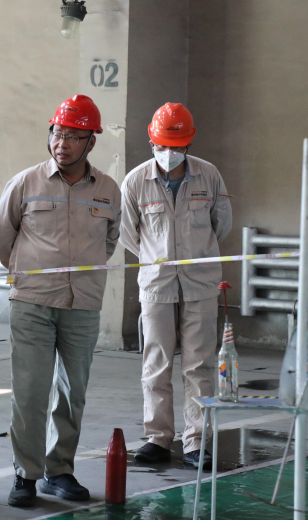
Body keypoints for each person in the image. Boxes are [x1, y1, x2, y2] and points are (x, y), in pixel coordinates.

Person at [0, 94, 121, 507]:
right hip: (32, 301)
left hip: (82, 303)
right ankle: (25, 474)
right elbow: (4, 233)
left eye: (73, 136)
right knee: (30, 391)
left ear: (91, 142)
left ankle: (59, 470)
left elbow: (110, 240)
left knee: (72, 391)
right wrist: (28, 271)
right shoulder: (25, 183)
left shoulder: (107, 190)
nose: (62, 143)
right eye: (57, 134)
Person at [119, 102, 232, 469]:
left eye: (177, 146)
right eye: (163, 146)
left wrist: (197, 253)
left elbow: (222, 223)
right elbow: (128, 234)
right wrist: (157, 256)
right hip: (157, 284)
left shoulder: (209, 176)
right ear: (152, 142)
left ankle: (197, 440)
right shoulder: (135, 181)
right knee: (156, 363)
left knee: (199, 364)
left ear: (189, 143)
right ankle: (158, 437)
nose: (169, 153)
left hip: (201, 284)